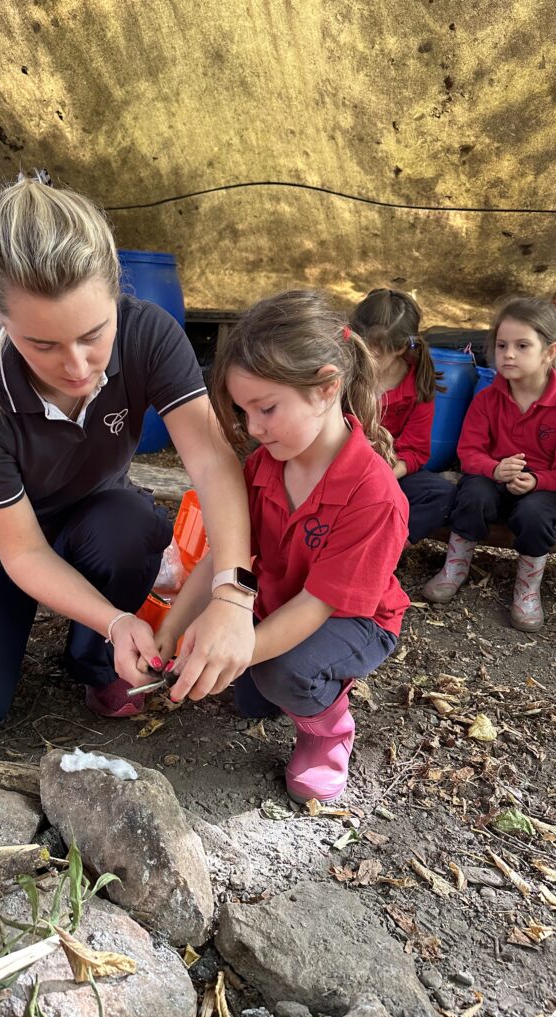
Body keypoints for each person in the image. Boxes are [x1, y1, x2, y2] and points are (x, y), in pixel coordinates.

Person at [0, 175, 256, 748]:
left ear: (116, 291)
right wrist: (115, 617)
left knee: (133, 526)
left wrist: (235, 593)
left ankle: (99, 666)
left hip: (95, 521)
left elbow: (213, 463)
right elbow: (25, 550)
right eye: (42, 344)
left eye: (94, 334)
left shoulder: (149, 335)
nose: (78, 366)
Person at [152, 291, 410, 803]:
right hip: (277, 601)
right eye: (244, 411)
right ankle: (285, 684)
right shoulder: (262, 464)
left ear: (326, 388)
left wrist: (239, 649)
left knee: (278, 670)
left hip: (352, 619)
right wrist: (169, 633)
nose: (253, 428)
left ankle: (330, 731)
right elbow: (221, 560)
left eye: (266, 408)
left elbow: (318, 604)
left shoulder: (374, 493)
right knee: (251, 697)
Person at [422, 296, 556, 631]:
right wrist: (493, 468)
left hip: (544, 489)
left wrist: (536, 481)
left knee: (536, 513)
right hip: (494, 478)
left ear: (550, 352)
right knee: (473, 491)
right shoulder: (488, 398)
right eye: (502, 345)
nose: (509, 354)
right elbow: (468, 451)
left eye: (522, 345)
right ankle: (455, 566)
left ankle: (527, 589)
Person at [351, 288, 456, 543]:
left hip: (385, 472)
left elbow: (416, 451)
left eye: (375, 351)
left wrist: (382, 476)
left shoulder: (417, 385)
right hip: (342, 467)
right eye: (361, 345)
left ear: (399, 348)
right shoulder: (346, 369)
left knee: (440, 494)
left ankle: (384, 552)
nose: (366, 355)